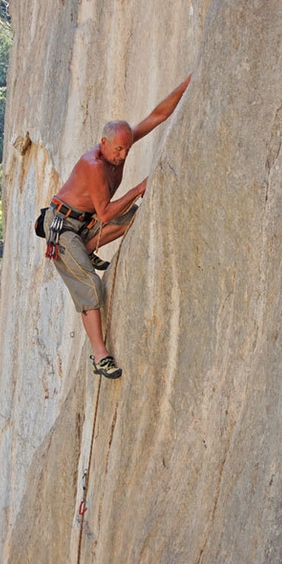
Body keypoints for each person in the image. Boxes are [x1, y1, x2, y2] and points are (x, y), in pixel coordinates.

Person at [43, 75, 191, 379]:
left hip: (85, 224)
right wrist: (138, 188)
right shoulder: (94, 166)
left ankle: (84, 250)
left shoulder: (120, 145)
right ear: (103, 143)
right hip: (64, 227)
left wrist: (188, 83)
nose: (122, 155)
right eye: (118, 150)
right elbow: (107, 214)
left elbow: (157, 115)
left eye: (126, 149)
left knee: (137, 216)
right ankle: (100, 356)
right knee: (90, 284)